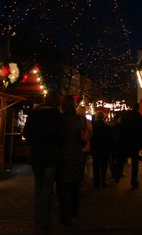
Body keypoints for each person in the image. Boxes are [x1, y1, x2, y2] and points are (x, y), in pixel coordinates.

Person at [23, 91, 64, 231]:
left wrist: (34, 142)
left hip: (36, 154)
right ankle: (44, 220)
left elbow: (26, 134)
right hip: (51, 155)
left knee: (38, 186)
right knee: (47, 188)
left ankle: (37, 216)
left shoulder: (34, 114)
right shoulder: (58, 117)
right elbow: (61, 138)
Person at [56, 95, 86, 226]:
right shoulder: (79, 120)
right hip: (76, 154)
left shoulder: (60, 119)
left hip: (63, 154)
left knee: (63, 185)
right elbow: (83, 138)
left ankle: (65, 215)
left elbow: (58, 138)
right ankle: (74, 210)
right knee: (75, 183)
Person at [120, 103, 142, 189]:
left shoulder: (125, 116)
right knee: (135, 163)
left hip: (125, 141)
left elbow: (122, 128)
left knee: (122, 158)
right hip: (135, 143)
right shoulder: (140, 118)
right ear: (138, 108)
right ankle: (134, 181)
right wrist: (141, 144)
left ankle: (118, 174)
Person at [90, 111, 113, 188]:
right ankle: (103, 181)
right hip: (105, 149)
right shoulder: (107, 127)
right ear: (103, 117)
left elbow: (91, 139)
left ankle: (96, 183)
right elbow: (110, 139)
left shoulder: (93, 126)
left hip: (95, 149)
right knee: (104, 166)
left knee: (96, 166)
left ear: (96, 117)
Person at [77, 105, 93, 177]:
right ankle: (81, 177)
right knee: (83, 163)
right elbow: (91, 133)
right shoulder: (88, 122)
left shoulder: (75, 120)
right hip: (86, 145)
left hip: (77, 146)